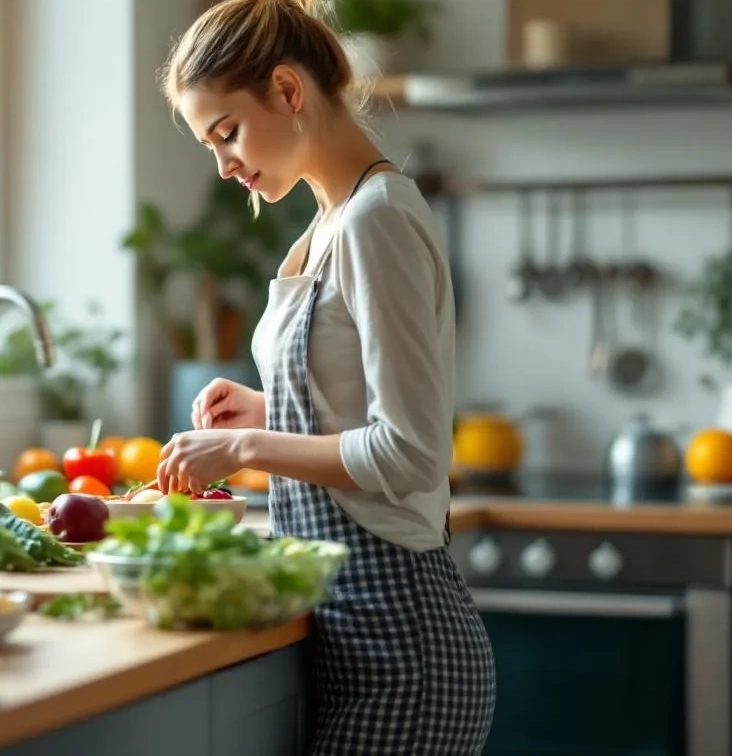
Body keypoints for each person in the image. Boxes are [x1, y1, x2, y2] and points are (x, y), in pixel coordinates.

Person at [152, 0, 496, 753]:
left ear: (286, 90)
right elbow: (357, 402)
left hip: (404, 653)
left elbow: (410, 453)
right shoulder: (329, 225)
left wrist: (250, 451)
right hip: (358, 641)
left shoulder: (376, 219)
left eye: (227, 132)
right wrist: (268, 406)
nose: (224, 164)